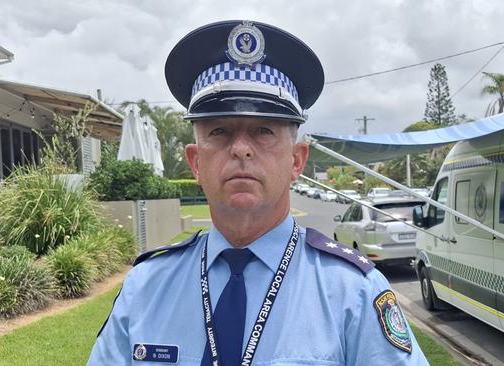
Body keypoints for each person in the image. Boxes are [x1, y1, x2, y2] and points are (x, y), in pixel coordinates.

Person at [88, 20, 429, 366]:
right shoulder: (146, 288)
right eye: (219, 131)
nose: (240, 149)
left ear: (297, 160)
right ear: (195, 162)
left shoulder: (352, 293)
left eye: (263, 131)